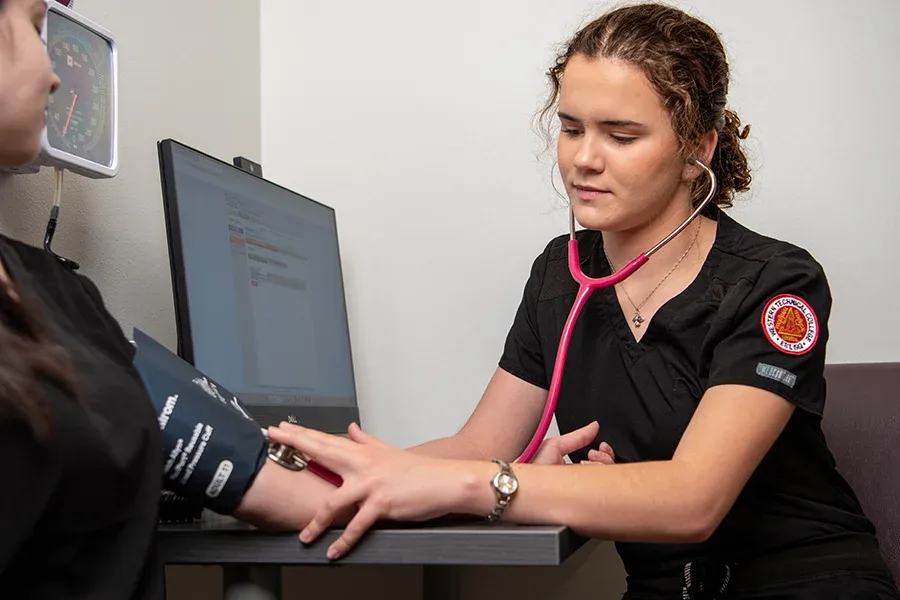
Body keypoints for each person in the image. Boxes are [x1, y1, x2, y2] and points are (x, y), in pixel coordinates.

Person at [267, 3, 900, 599]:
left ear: (697, 151)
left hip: (804, 583)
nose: (583, 160)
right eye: (572, 129)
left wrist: (485, 483)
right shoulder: (559, 275)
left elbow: (692, 499)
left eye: (621, 136)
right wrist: (353, 470)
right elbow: (479, 444)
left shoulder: (776, 282)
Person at [0, 0, 349, 597]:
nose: (55, 73)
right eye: (35, 28)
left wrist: (486, 489)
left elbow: (255, 477)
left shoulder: (62, 292)